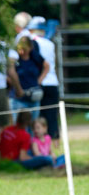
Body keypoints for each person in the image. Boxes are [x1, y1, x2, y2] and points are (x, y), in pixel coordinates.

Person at [28, 16, 60, 144]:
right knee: (52, 116)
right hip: (53, 82)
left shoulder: (33, 43)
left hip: (40, 82)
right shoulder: (50, 43)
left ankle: (39, 145)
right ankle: (54, 144)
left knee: (38, 117)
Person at [8, 36, 49, 121]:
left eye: (25, 49)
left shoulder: (35, 58)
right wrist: (17, 87)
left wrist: (39, 81)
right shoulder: (15, 59)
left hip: (33, 98)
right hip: (18, 99)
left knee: (34, 125)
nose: (22, 52)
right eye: (20, 48)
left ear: (30, 48)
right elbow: (9, 74)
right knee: (19, 126)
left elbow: (47, 66)